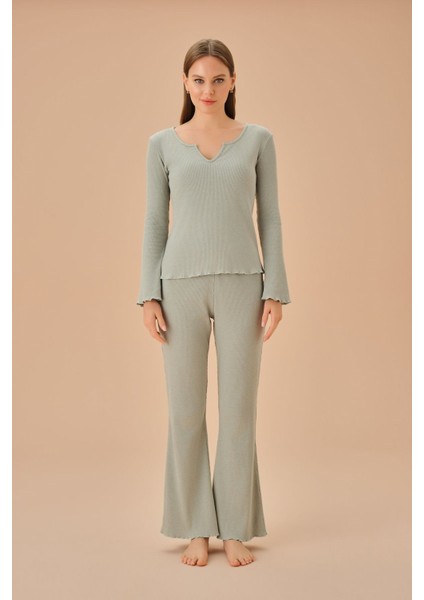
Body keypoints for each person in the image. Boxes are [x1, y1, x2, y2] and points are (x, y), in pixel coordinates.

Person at [136, 38, 291, 567]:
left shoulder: (258, 140)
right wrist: (148, 294)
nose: (208, 89)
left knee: (238, 412)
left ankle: (236, 528)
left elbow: (270, 216)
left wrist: (275, 289)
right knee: (185, 413)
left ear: (233, 82)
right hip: (178, 287)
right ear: (185, 82)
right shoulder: (162, 144)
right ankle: (196, 527)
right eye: (199, 80)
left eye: (218, 79)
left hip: (243, 285)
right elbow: (154, 222)